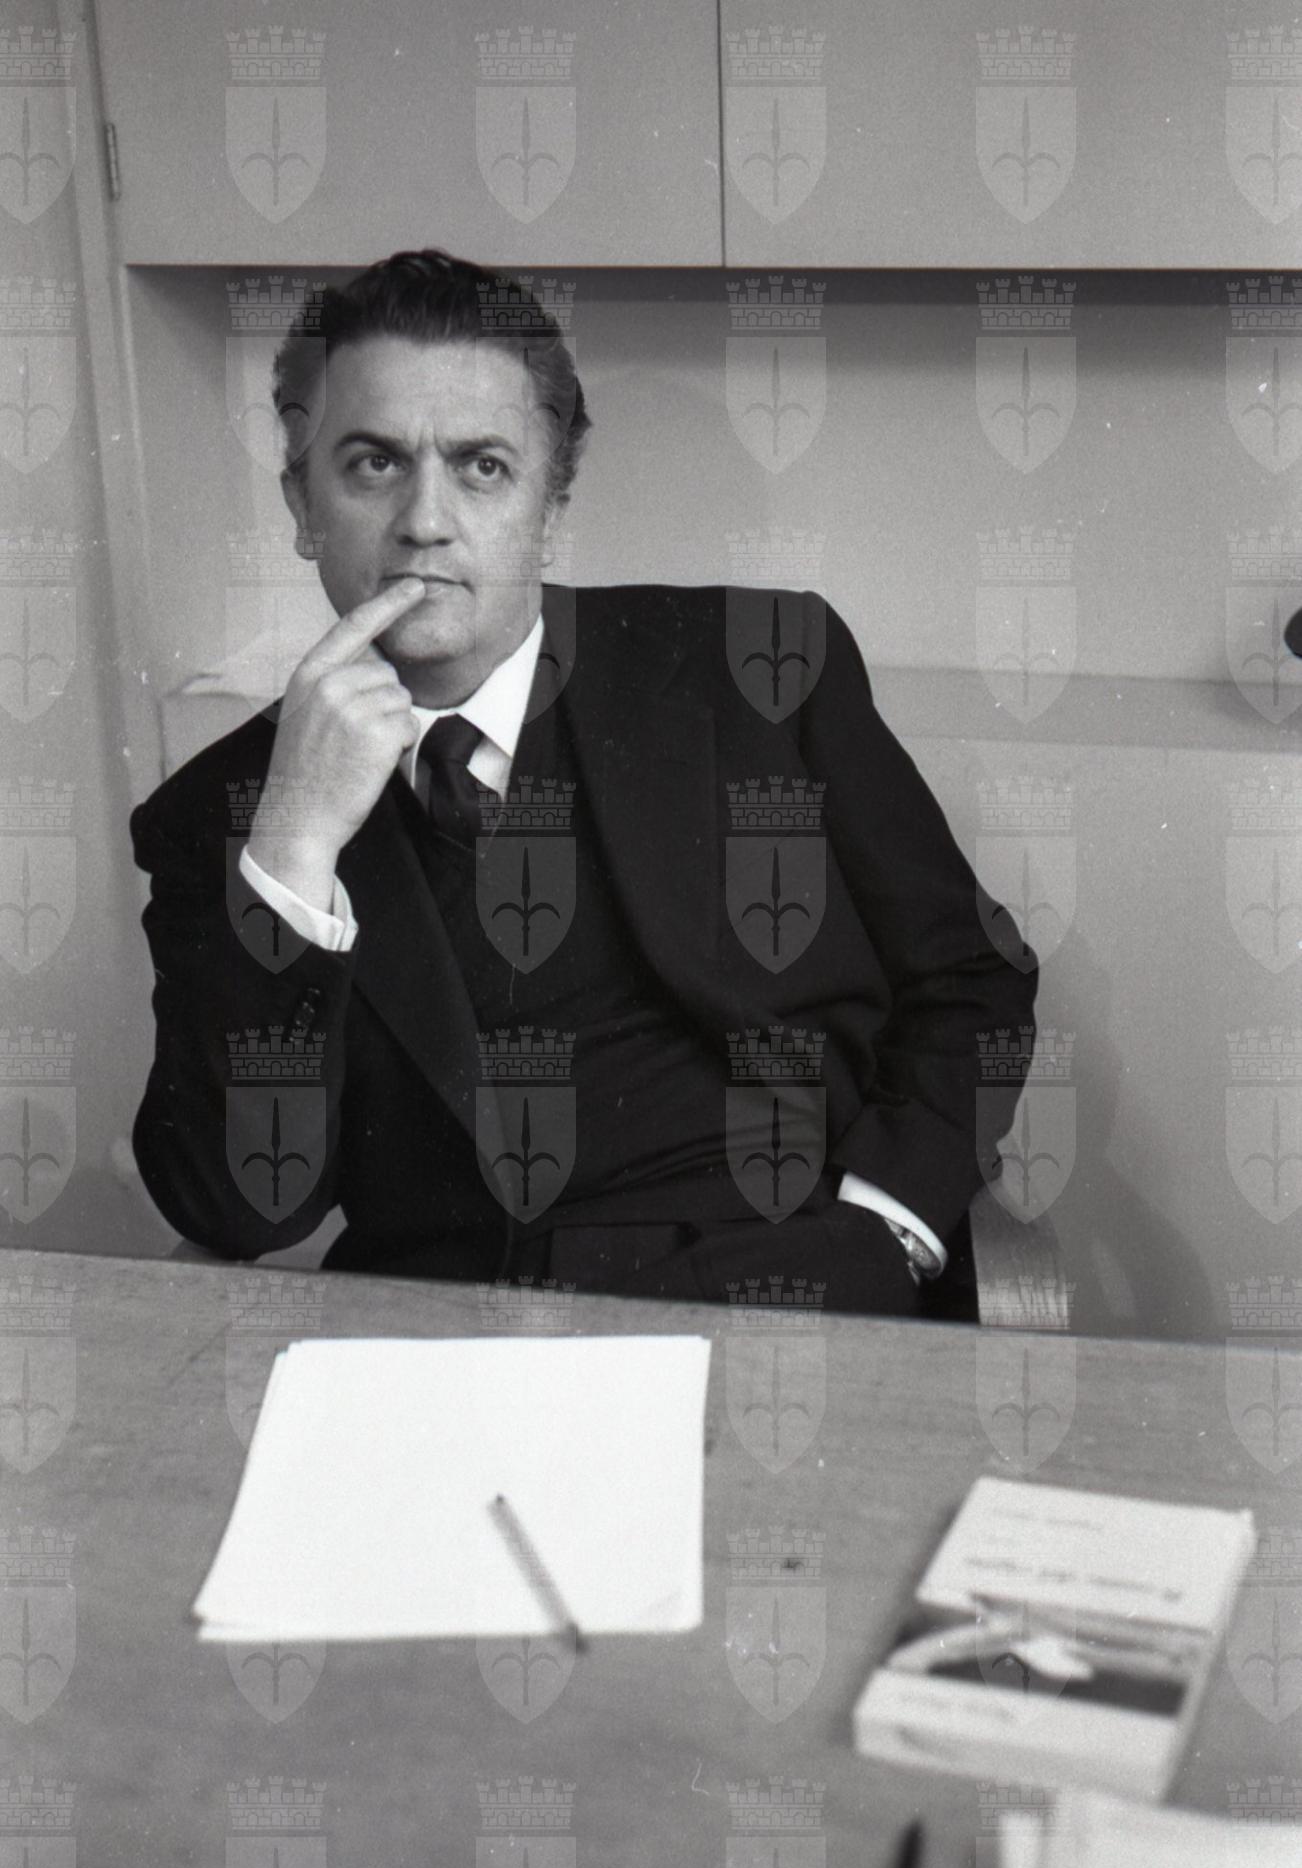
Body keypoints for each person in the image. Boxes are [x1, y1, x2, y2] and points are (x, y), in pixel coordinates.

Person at [130, 249, 1036, 1317]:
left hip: (778, 1290)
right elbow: (239, 1210)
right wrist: (291, 845)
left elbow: (971, 979)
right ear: (301, 504)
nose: (425, 520)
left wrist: (889, 1221)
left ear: (551, 505)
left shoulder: (761, 669)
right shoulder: (223, 810)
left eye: (482, 467)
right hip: (441, 1339)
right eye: (374, 464)